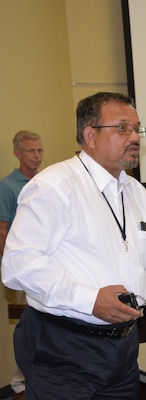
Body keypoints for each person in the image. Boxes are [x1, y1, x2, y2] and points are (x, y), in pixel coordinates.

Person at [1, 92, 146, 400]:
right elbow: (18, 266)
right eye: (122, 128)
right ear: (90, 135)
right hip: (64, 346)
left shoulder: (134, 190)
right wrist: (90, 300)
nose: (134, 136)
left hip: (122, 347)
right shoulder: (54, 186)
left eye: (137, 128)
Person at [0, 130, 44, 400]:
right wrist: (13, 269)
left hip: (46, 269)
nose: (37, 156)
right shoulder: (7, 186)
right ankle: (21, 384)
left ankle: (35, 380)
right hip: (25, 270)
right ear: (17, 153)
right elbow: (2, 231)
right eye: (31, 151)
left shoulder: (45, 182)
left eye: (40, 150)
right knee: (31, 328)